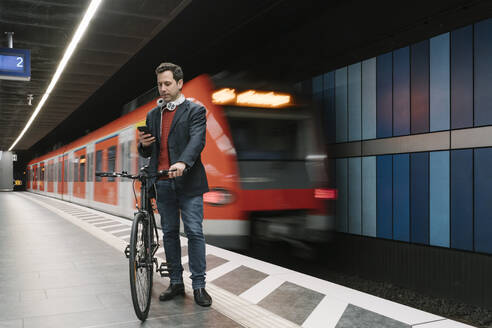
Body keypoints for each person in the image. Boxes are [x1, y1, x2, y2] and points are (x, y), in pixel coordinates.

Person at [137, 62, 211, 307]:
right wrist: (144, 145)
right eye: (159, 84)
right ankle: (176, 283)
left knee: (194, 232)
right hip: (163, 183)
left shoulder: (195, 111)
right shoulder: (152, 114)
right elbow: (147, 152)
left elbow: (197, 141)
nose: (163, 88)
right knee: (169, 233)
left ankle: (199, 286)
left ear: (180, 83)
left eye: (167, 83)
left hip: (188, 181)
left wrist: (182, 163)